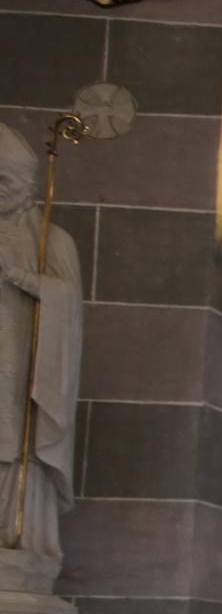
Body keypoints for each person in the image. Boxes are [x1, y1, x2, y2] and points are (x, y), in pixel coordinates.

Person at [0, 123, 83, 558]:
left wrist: (23, 277)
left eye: (5, 180)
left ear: (26, 184)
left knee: (16, 444)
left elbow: (67, 302)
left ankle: (19, 539)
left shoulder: (52, 240)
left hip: (21, 366)